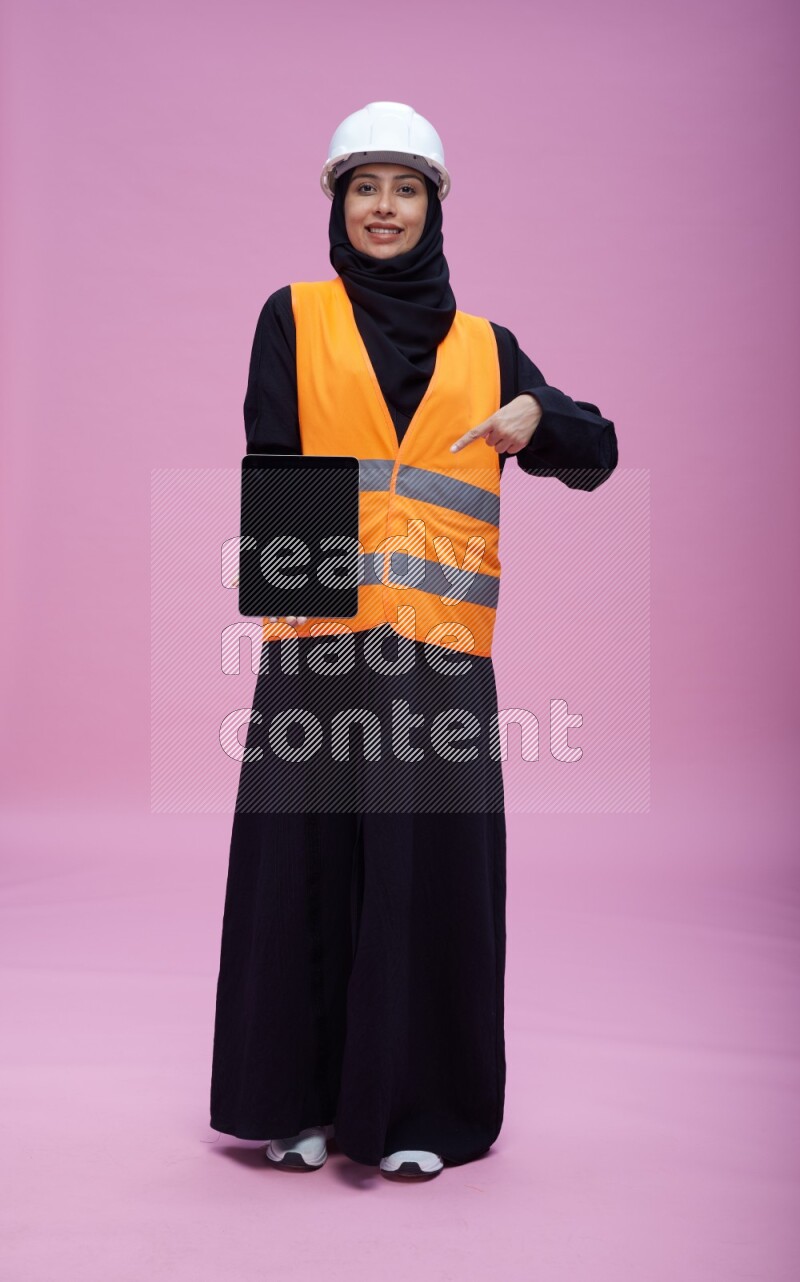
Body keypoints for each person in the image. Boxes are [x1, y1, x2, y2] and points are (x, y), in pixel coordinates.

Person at [210, 101, 618, 1180]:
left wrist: (538, 415)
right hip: (320, 643)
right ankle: (289, 1101)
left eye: (404, 188)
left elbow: (595, 451)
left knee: (423, 873)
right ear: (336, 202)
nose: (382, 208)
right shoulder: (292, 315)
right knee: (300, 866)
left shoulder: (489, 348)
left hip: (439, 655)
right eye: (363, 187)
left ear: (435, 205)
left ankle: (415, 1112)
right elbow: (272, 457)